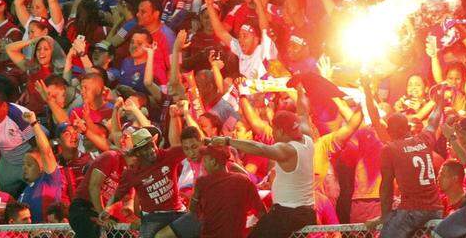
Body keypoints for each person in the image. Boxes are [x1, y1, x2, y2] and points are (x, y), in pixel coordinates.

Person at [209, 90, 316, 238]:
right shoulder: (307, 137)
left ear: (280, 130)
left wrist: (228, 141)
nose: (272, 134)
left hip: (290, 213)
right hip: (303, 212)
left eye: (273, 130)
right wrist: (299, 88)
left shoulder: (288, 149)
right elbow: (303, 113)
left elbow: (260, 148)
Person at [364, 93, 444, 237]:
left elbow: (386, 187)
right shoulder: (424, 139)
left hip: (413, 210)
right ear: (408, 127)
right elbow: (433, 121)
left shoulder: (390, 148)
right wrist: (439, 101)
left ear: (388, 131)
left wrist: (384, 217)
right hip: (435, 209)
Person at [111, 128, 187, 238]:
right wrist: (106, 210)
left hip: (178, 212)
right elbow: (117, 196)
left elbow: (194, 145)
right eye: (145, 149)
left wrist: (212, 142)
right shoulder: (131, 173)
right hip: (153, 217)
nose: (151, 150)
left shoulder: (168, 155)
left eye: (152, 145)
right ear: (137, 153)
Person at [190, 145, 265, 238]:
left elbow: (193, 212)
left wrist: (195, 196)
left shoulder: (202, 182)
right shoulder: (243, 180)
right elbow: (261, 212)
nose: (203, 166)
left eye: (205, 161)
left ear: (213, 162)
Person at [0, 88, 35, 196]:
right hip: (8, 160)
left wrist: (36, 166)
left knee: (37, 190)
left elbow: (35, 143)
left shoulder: (19, 115)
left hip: (28, 157)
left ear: (3, 106)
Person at [205, 0, 277, 79]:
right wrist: (209, 6)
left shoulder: (265, 50)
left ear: (256, 39)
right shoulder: (241, 50)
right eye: (239, 36)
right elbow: (221, 32)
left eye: (245, 36)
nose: (240, 40)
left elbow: (265, 29)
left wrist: (258, 2)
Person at [18, 110, 63, 223]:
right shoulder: (25, 190)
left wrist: (33, 123)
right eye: (24, 164)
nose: (25, 168)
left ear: (42, 166)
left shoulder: (50, 180)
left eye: (29, 164)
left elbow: (46, 151)